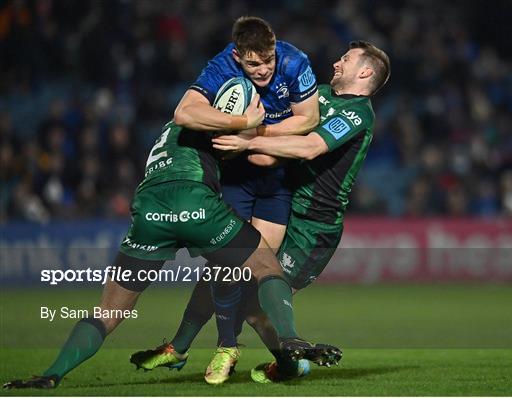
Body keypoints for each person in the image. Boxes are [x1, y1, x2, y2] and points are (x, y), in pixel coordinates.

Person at [2, 62, 336, 392]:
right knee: (265, 266)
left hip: (148, 209)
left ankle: (51, 374)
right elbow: (250, 147)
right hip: (193, 201)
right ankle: (290, 340)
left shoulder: (171, 127)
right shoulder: (221, 119)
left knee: (109, 312)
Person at [133, 40, 390, 383]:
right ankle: (179, 347)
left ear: (365, 71)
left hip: (313, 227)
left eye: (346, 59)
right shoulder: (319, 94)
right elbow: (274, 123)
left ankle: (289, 361)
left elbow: (311, 147)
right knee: (224, 270)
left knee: (254, 308)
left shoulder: (358, 113)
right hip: (281, 204)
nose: (336, 63)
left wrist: (248, 142)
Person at [129, 15, 322, 385]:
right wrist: (236, 126)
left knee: (249, 273)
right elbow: (184, 113)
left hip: (278, 183)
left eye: (268, 60)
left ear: (275, 47)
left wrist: (253, 134)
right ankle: (226, 347)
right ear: (238, 56)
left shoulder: (294, 61)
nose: (263, 70)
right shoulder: (221, 65)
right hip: (235, 180)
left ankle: (184, 347)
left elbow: (309, 118)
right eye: (253, 63)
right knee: (227, 267)